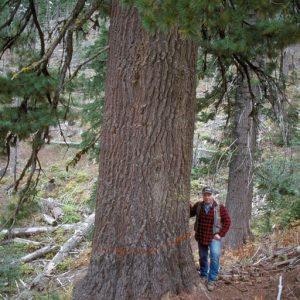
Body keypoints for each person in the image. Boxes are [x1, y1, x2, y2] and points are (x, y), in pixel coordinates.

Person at [190, 186, 231, 291]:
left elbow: (227, 221)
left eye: (209, 195)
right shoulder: (198, 206)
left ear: (213, 195)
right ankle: (203, 275)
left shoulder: (219, 207)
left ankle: (212, 279)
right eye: (205, 195)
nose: (207, 197)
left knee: (214, 257)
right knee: (203, 257)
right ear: (202, 195)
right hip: (201, 236)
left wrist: (220, 234)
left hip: (214, 237)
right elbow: (190, 213)